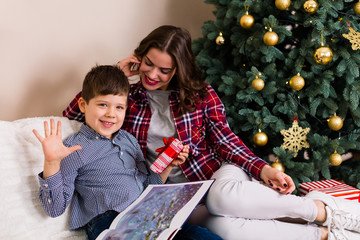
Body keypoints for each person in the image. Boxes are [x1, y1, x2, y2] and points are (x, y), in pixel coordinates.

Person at [63, 25, 360, 240]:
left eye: (164, 70)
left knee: (220, 199)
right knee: (222, 230)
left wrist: (264, 168)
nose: (152, 75)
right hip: (174, 194)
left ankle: (325, 211)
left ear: (178, 69)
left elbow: (226, 140)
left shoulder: (201, 95)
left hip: (217, 176)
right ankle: (325, 236)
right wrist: (117, 72)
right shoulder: (128, 98)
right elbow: (76, 114)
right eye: (148, 64)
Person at [33, 65, 190, 240]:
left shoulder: (129, 140)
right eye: (102, 104)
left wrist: (168, 165)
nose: (111, 114)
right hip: (107, 221)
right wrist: (51, 163)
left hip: (145, 215)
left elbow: (149, 187)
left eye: (119, 107)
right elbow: (55, 208)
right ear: (84, 105)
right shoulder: (74, 148)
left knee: (199, 234)